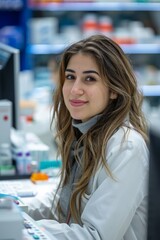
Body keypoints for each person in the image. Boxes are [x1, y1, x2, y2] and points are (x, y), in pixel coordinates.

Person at [28, 34, 149, 240]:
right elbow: (64, 203)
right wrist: (15, 213)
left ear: (113, 90)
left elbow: (95, 236)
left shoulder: (126, 148)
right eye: (70, 77)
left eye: (90, 79)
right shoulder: (86, 134)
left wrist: (26, 231)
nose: (75, 90)